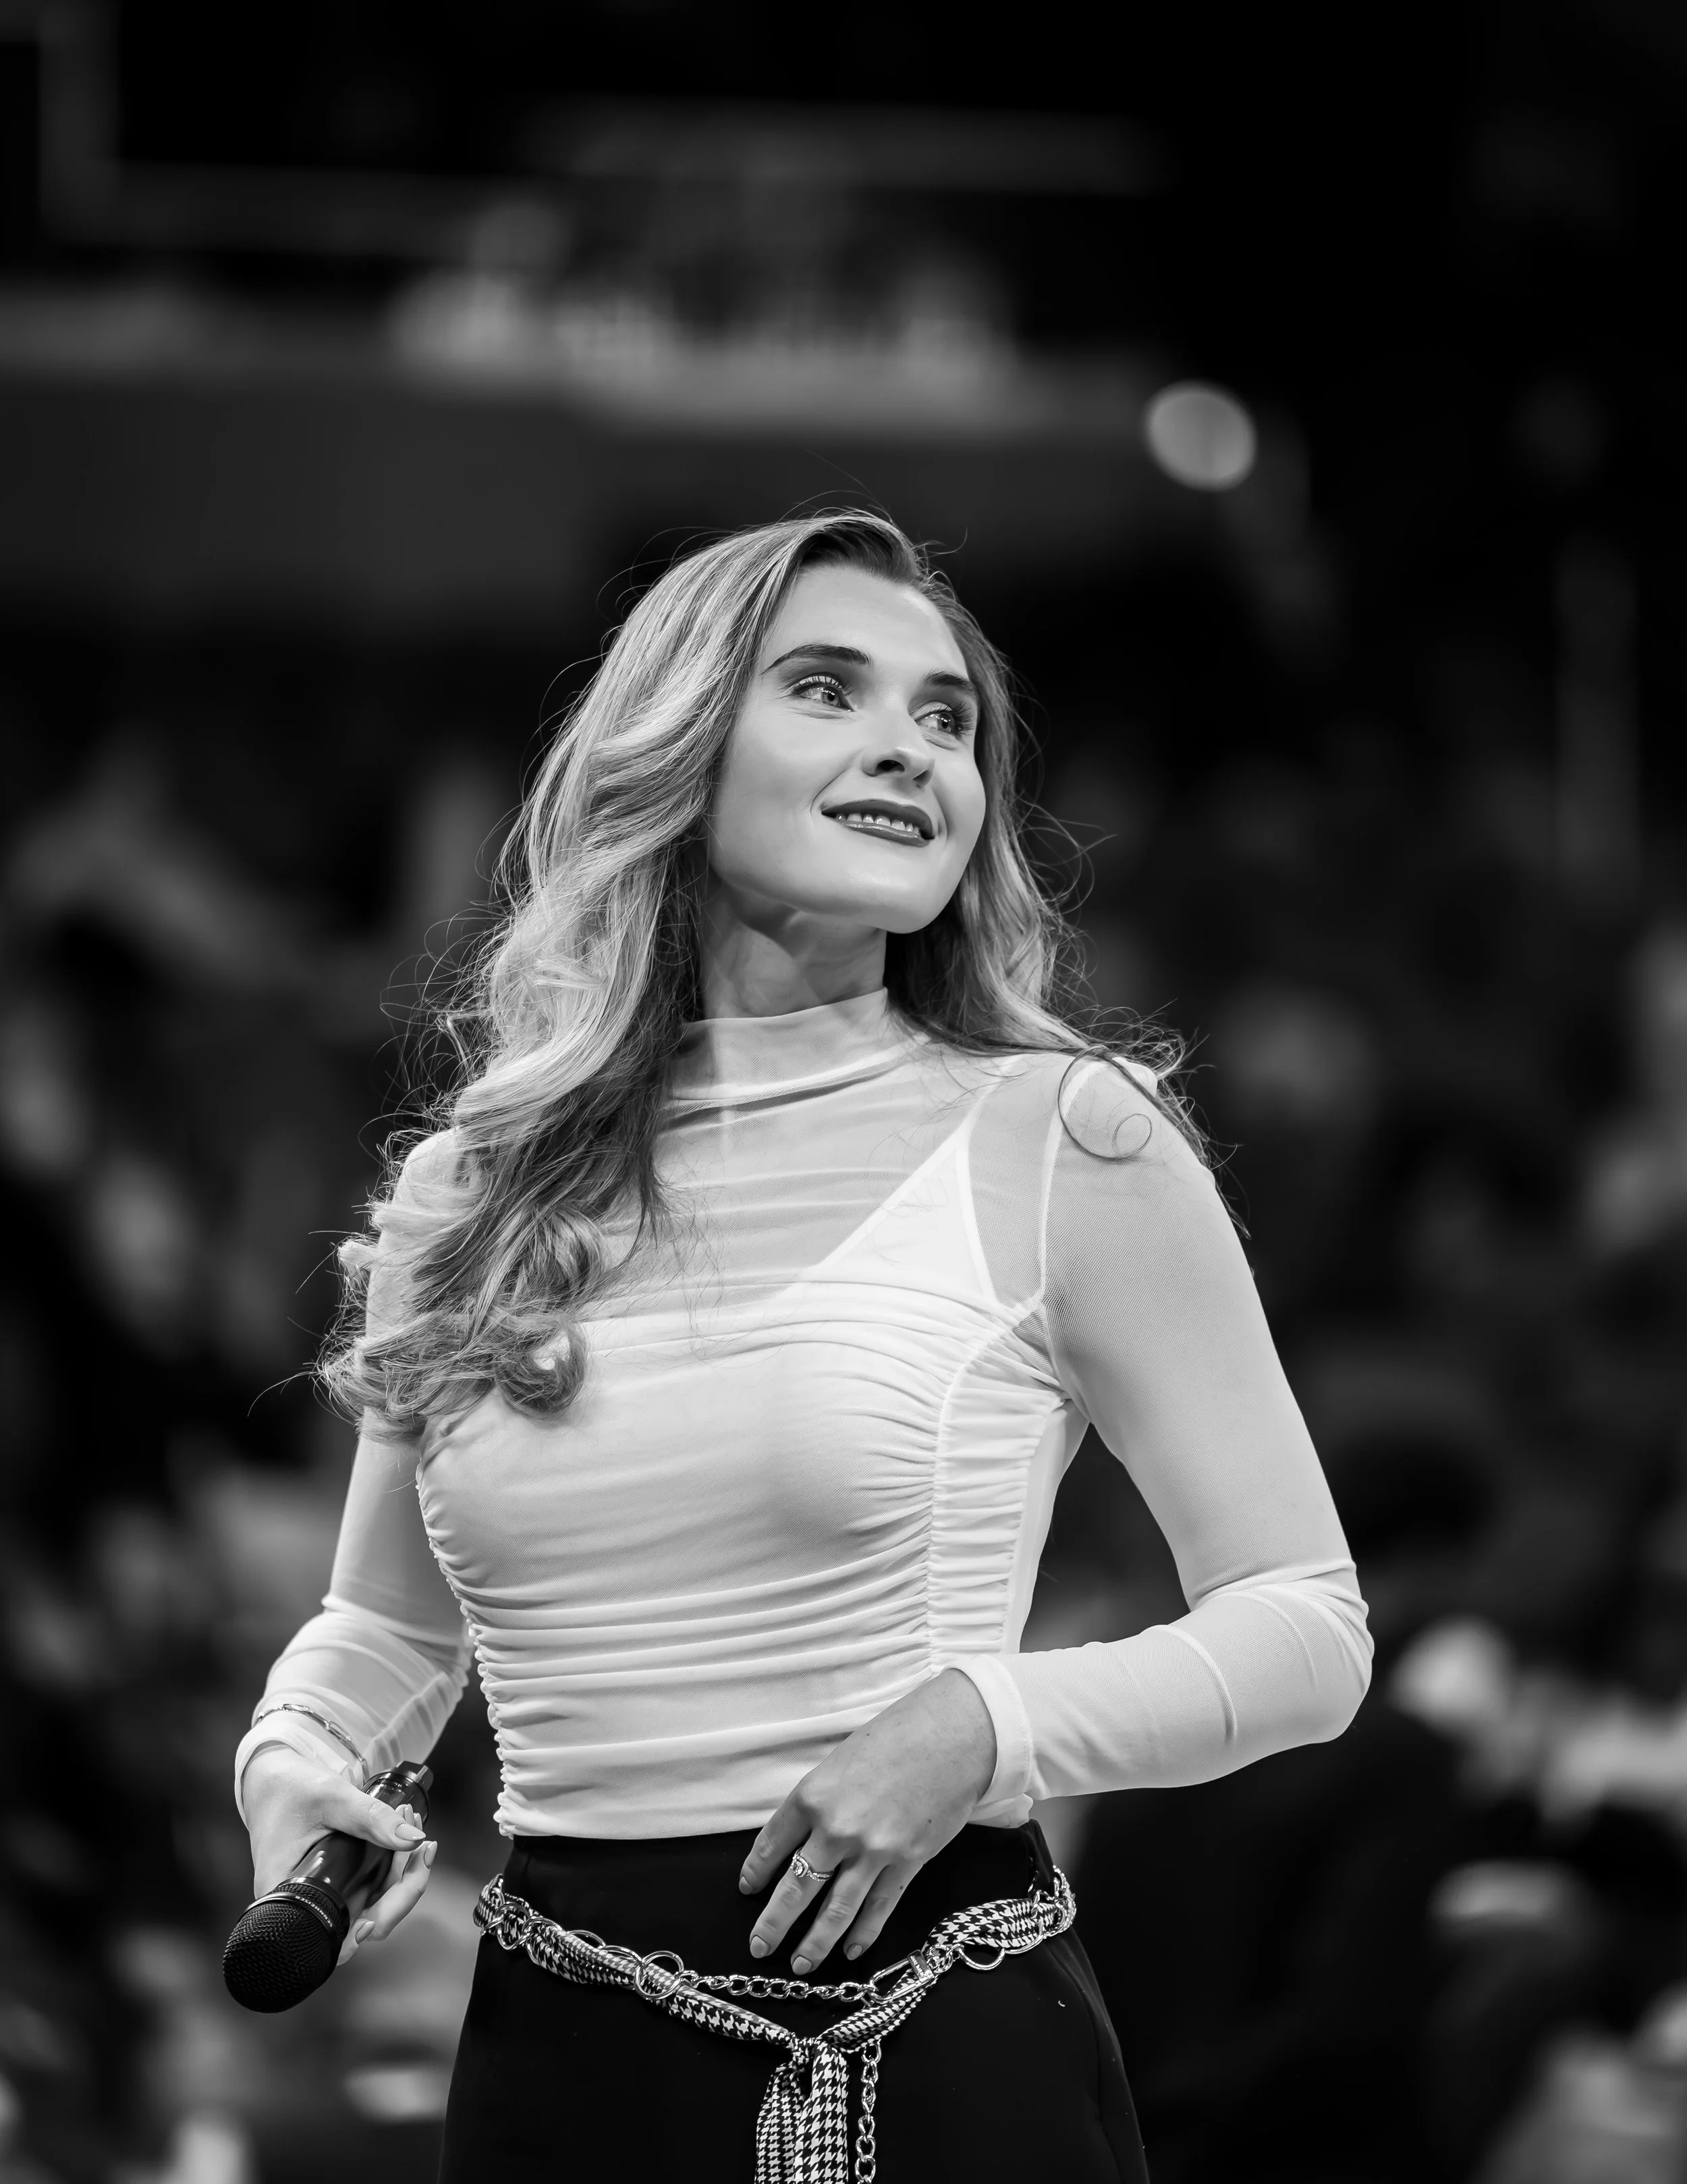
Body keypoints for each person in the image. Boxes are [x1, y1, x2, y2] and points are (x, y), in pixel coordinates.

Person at [233, 511, 1372, 2182]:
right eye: (827, 689)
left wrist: (983, 1722)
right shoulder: (471, 1187)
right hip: (559, 2063)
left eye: (945, 717)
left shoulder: (1068, 1139)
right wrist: (292, 1759)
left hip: (931, 2048)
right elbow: (386, 1629)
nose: (908, 748)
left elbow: (1306, 1628)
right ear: (679, 745)